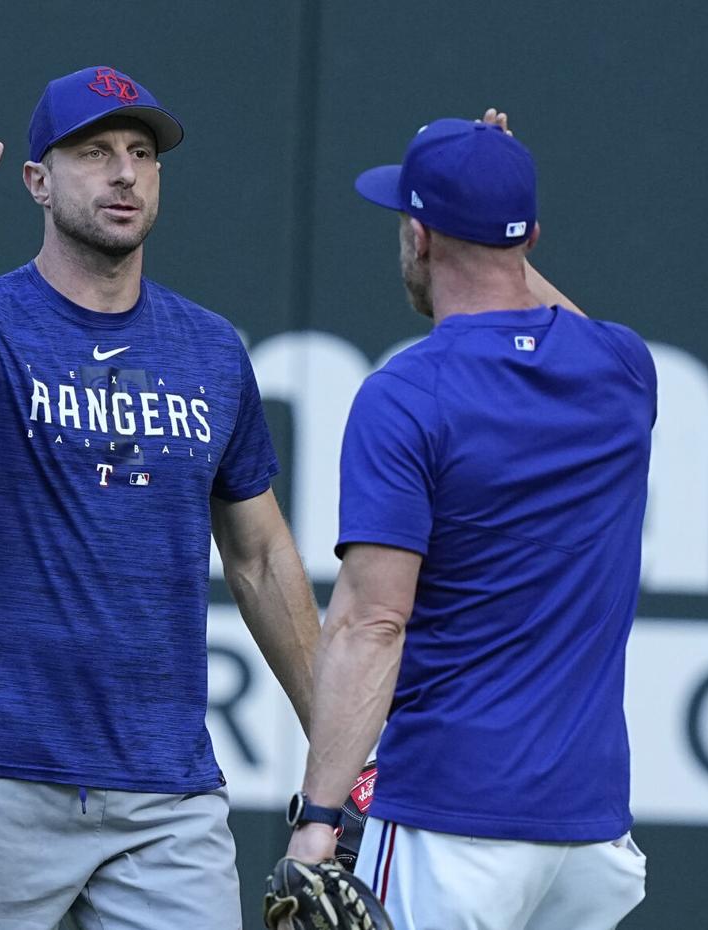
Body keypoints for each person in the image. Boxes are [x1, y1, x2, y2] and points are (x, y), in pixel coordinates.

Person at [0, 66, 321, 930]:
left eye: (143, 153)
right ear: (36, 181)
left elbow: (259, 558)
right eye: (95, 152)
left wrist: (341, 756)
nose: (124, 174)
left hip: (163, 792)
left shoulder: (212, 351)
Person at [280, 110, 655, 930]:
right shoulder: (623, 370)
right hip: (588, 838)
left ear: (418, 233)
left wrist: (317, 819)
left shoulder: (406, 394)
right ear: (531, 239)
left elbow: (373, 622)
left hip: (453, 821)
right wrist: (492, 203)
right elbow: (534, 306)